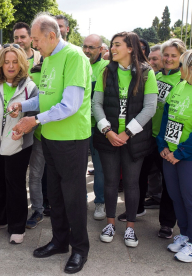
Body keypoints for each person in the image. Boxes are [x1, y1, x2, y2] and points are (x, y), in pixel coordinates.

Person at [8, 13, 92, 273]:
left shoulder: (74, 57)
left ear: (52, 35)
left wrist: (33, 121)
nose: (33, 45)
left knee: (73, 197)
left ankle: (80, 249)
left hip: (72, 139)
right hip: (51, 138)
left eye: (35, 40)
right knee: (54, 195)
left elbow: (70, 105)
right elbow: (45, 98)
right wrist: (24, 104)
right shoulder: (48, 58)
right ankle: (60, 241)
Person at [93, 32, 158, 248]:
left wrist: (126, 133)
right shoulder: (105, 70)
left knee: (131, 184)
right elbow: (96, 104)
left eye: (117, 45)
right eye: (111, 44)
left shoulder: (147, 73)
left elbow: (150, 108)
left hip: (134, 139)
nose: (112, 48)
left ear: (131, 48)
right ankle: (110, 223)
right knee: (110, 183)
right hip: (108, 138)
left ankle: (130, 228)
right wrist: (108, 131)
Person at [0, 45, 38, 244]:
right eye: (6, 62)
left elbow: (35, 113)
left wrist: (24, 126)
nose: (10, 66)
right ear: (1, 64)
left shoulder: (30, 86)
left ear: (21, 63)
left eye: (15, 62)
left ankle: (17, 226)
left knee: (15, 185)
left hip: (18, 144)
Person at [132, 39, 185, 239]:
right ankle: (136, 209)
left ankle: (167, 223)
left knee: (168, 185)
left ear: (181, 57)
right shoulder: (156, 75)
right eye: (166, 55)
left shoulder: (184, 78)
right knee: (139, 175)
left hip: (168, 141)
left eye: (173, 55)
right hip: (148, 135)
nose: (168, 59)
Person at [156, 49, 192, 263]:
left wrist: (180, 153)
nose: (176, 67)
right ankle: (186, 234)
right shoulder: (180, 85)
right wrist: (163, 144)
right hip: (170, 153)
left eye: (181, 65)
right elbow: (167, 117)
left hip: (189, 157)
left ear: (191, 68)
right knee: (176, 196)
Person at [12, 21, 44, 228]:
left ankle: (39, 209)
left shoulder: (43, 61)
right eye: (16, 38)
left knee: (37, 174)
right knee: (19, 173)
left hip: (42, 128)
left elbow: (45, 98)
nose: (19, 41)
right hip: (19, 129)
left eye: (23, 37)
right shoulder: (11, 63)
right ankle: (18, 210)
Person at [82, 34, 109, 220]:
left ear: (101, 50)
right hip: (80, 125)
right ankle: (80, 199)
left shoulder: (106, 67)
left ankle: (100, 202)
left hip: (98, 127)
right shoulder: (78, 63)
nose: (87, 50)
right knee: (78, 167)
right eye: (85, 46)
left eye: (92, 47)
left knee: (99, 168)